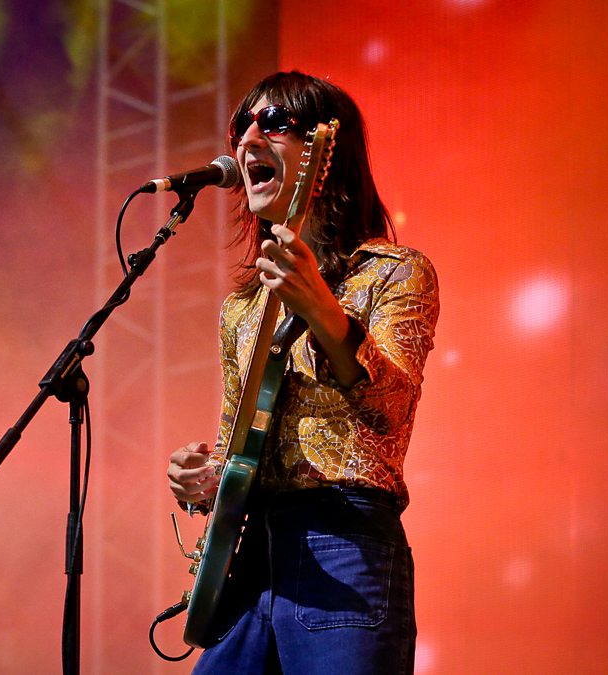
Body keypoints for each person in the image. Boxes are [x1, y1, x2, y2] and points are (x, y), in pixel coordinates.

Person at [166, 71, 439, 674]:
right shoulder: (241, 308)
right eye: (241, 127)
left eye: (274, 123)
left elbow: (390, 405)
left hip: (343, 542)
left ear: (324, 153)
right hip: (250, 558)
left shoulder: (395, 272)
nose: (248, 140)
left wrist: (322, 309)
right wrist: (204, 479)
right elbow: (240, 443)